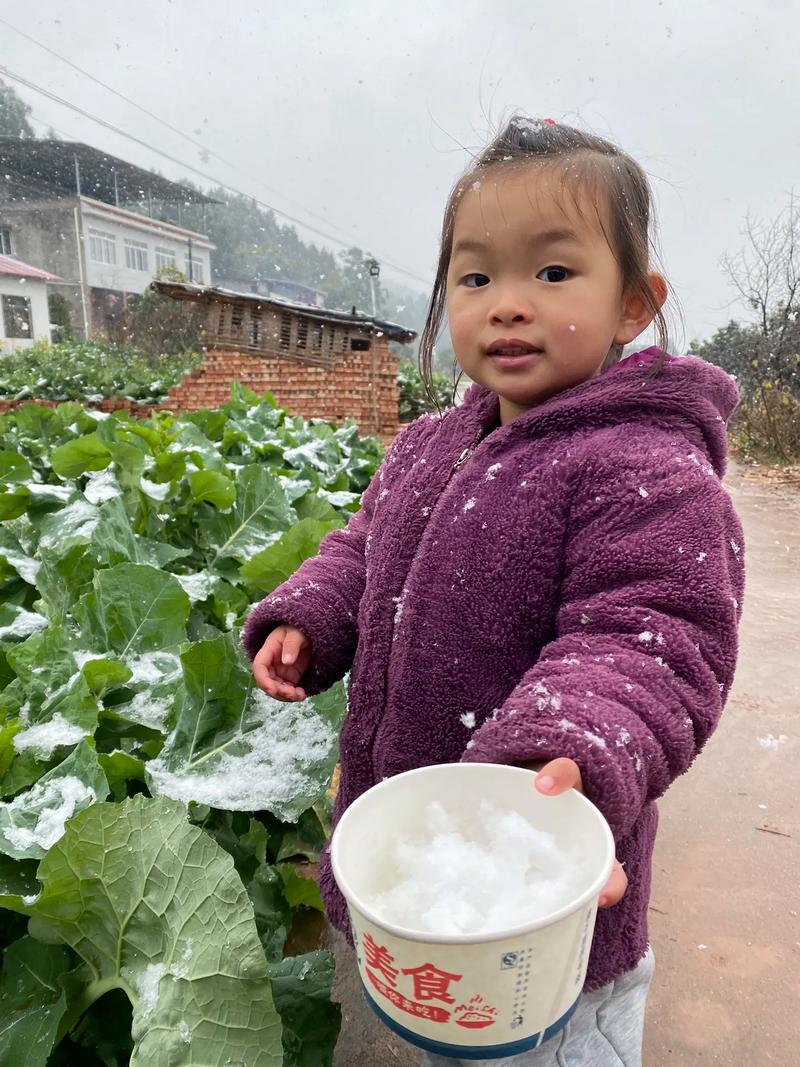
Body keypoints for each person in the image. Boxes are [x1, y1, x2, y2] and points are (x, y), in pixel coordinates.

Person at [242, 115, 745, 1066]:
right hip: (438, 879)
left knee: (552, 1044)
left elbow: (649, 640)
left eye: (552, 273)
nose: (507, 304)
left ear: (635, 304)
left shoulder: (646, 471)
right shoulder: (427, 445)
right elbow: (363, 546)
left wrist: (563, 753)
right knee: (452, 1039)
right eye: (476, 277)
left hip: (546, 900)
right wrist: (313, 613)